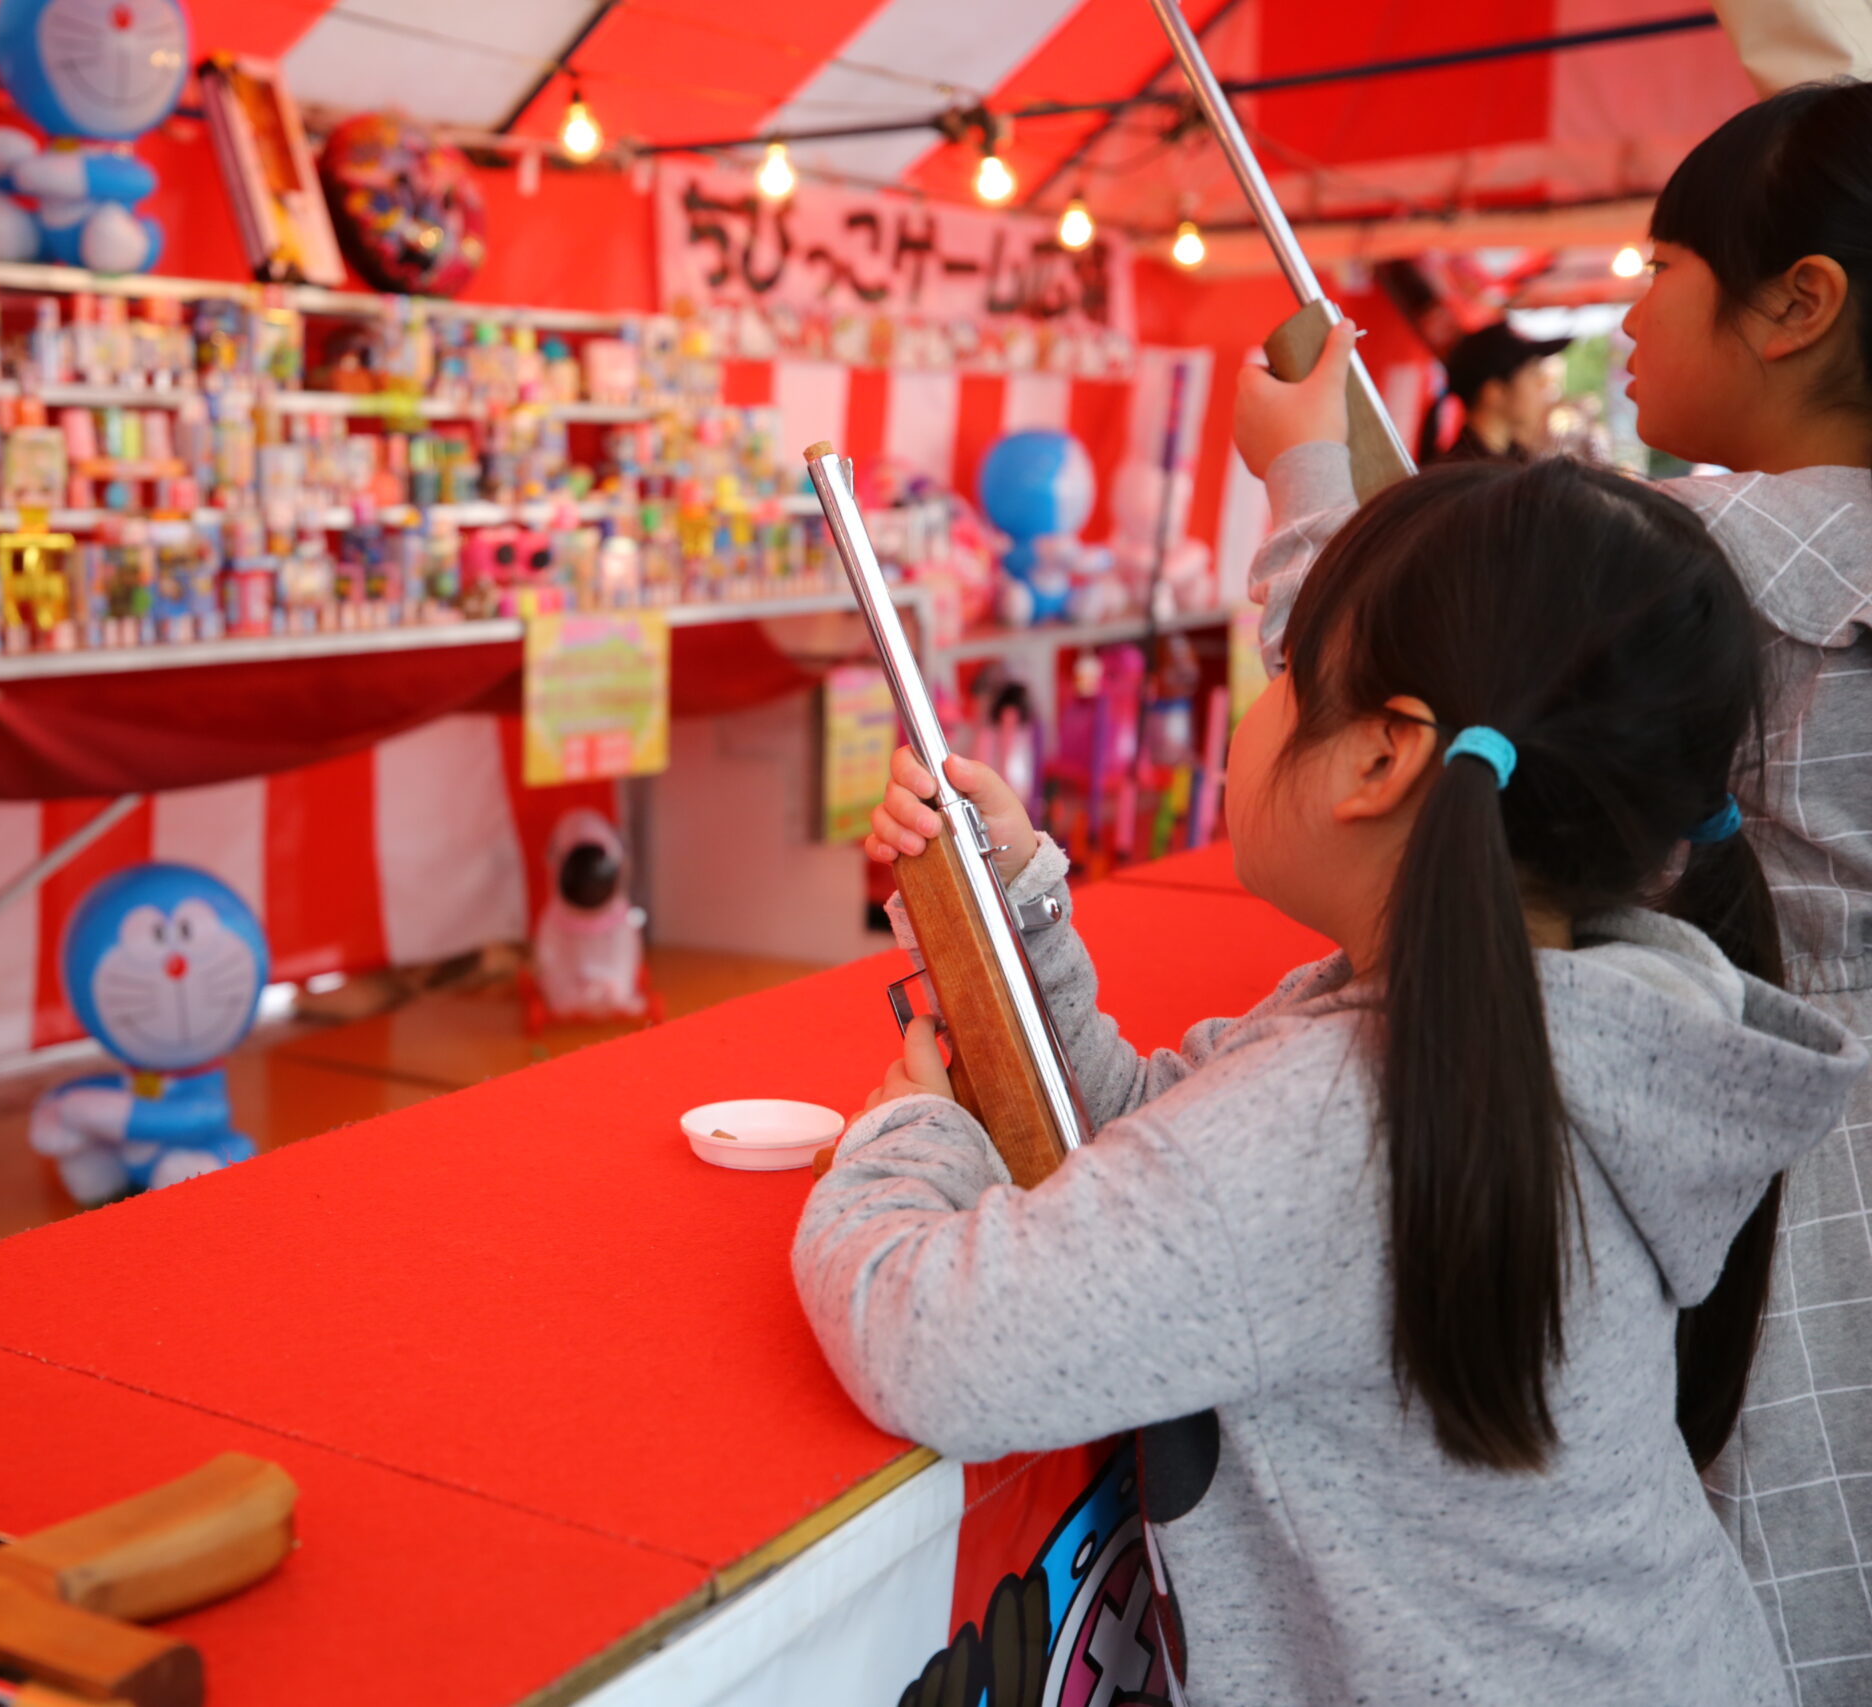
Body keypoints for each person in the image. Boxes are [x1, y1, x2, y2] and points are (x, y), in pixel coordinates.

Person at [793, 457, 1864, 1705]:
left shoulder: (1344, 1119)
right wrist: (1015, 909)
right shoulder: (1570, 1016)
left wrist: (906, 1134)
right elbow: (1163, 1149)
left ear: (1379, 763)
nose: (1263, 700)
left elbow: (938, 1344)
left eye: (1289, 669)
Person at [1241, 79, 1872, 1702]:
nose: (1623, 299)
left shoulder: (1695, 561)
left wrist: (1299, 463)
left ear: (1799, 304)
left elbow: (1384, 650)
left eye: (1659, 262)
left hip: (1768, 1198)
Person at [1416, 319, 1571, 464]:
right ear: (1494, 392)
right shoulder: (1468, 479)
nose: (1543, 386)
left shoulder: (1513, 465)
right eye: (1534, 374)